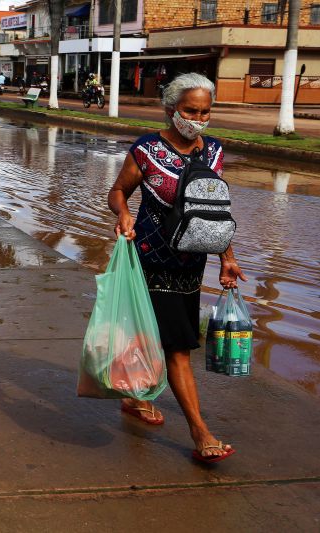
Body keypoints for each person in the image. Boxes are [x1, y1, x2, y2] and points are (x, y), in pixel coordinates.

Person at [106, 73, 247, 463]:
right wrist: (124, 214)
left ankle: (135, 398)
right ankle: (200, 433)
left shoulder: (214, 152)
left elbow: (214, 212)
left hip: (191, 265)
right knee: (177, 348)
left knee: (149, 334)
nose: (198, 118)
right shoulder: (147, 150)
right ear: (171, 110)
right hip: (149, 257)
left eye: (204, 111)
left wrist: (228, 257)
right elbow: (117, 191)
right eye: (190, 110)